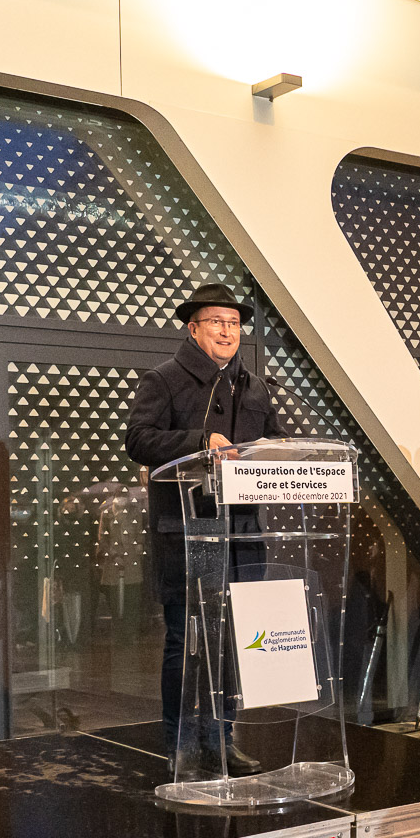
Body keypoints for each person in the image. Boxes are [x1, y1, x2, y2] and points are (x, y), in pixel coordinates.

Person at [125, 281, 279, 773]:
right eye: (217, 322)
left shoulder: (254, 386)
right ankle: (178, 747)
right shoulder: (163, 379)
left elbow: (275, 447)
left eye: (234, 324)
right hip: (188, 535)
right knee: (184, 644)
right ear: (193, 329)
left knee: (234, 643)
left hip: (241, 537)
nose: (227, 331)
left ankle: (222, 741)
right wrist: (198, 441)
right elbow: (139, 440)